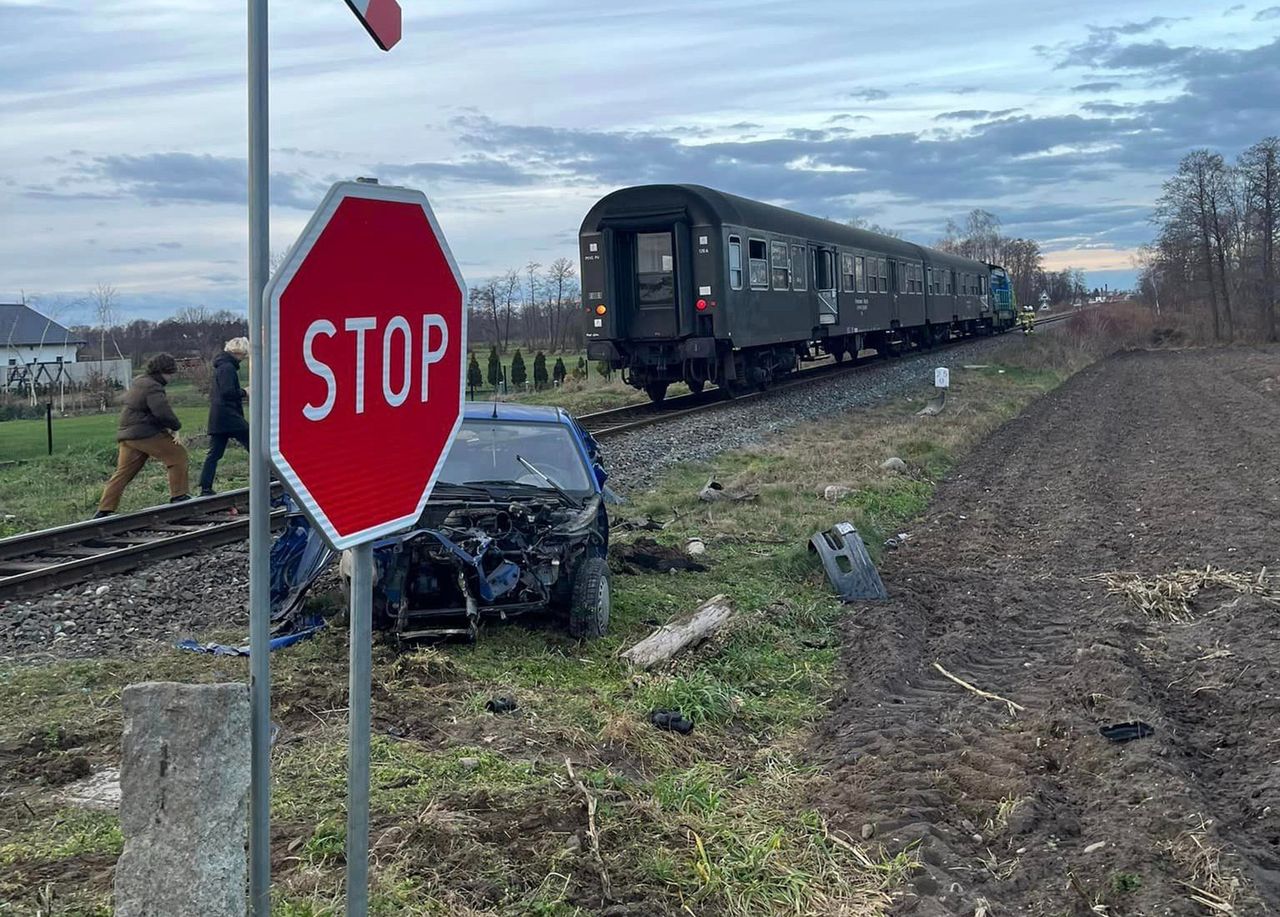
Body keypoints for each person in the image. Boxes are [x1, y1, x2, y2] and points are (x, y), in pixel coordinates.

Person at [94, 353, 190, 518]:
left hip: (128, 434)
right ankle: (179, 497)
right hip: (144, 433)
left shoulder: (140, 381)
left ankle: (104, 510)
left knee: (123, 472)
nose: (171, 377)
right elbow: (162, 411)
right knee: (178, 455)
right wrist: (176, 426)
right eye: (170, 373)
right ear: (163, 371)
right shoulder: (153, 387)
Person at [198, 337, 250, 496]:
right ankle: (269, 477)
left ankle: (205, 487)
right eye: (244, 355)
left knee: (214, 453)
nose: (243, 359)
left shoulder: (220, 366)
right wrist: (245, 392)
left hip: (218, 417)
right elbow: (228, 392)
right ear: (239, 353)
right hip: (230, 416)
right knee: (255, 445)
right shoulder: (228, 368)